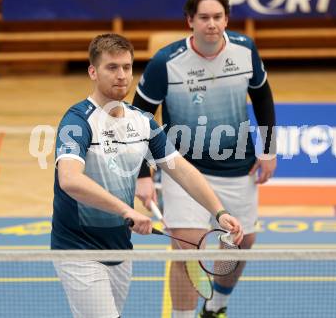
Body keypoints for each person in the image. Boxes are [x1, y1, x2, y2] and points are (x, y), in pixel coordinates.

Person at [51, 33, 243, 318]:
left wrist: (219, 211)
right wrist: (126, 210)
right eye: (111, 67)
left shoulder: (141, 122)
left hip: (120, 248)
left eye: (127, 67)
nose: (121, 76)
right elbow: (70, 180)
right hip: (78, 249)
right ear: (93, 71)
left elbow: (182, 170)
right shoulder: (78, 121)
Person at [132, 0, 276, 318]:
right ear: (190, 22)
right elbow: (137, 119)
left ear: (226, 19)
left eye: (217, 17)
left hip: (238, 166)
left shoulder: (245, 50)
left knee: (240, 244)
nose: (211, 24)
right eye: (204, 18)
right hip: (184, 169)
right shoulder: (166, 63)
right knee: (187, 250)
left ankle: (216, 305)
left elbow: (263, 97)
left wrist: (268, 150)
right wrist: (142, 173)